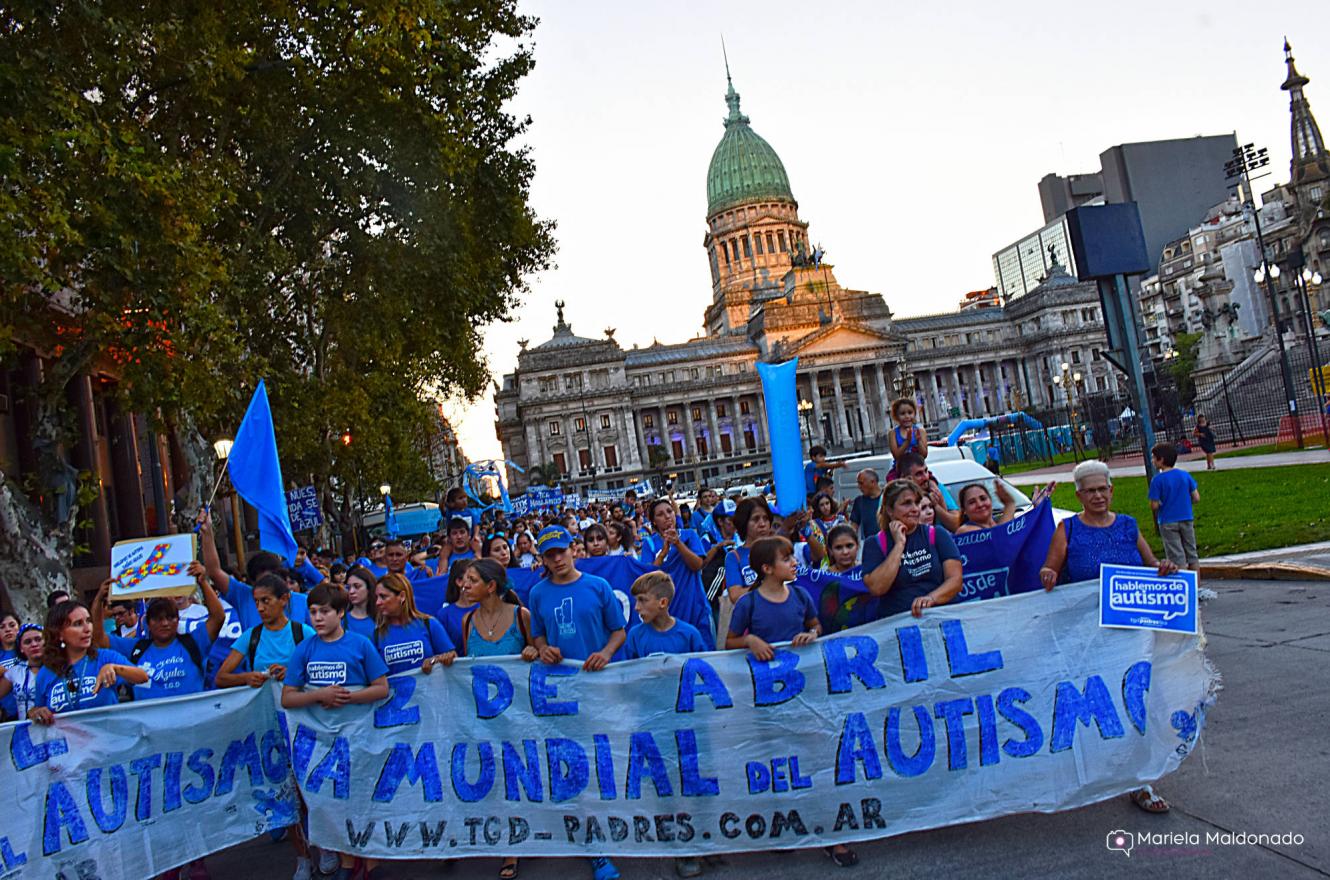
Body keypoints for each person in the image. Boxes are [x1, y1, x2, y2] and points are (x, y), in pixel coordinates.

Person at [1039, 459, 1179, 814]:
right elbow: (1050, 569)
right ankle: (1088, 771)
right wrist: (1047, 575)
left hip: (1134, 636)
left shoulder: (1129, 525)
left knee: (1137, 703)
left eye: (1103, 489)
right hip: (1089, 638)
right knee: (1100, 709)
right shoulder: (1068, 530)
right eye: (1091, 491)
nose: (1098, 496)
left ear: (1111, 490)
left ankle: (1139, 779)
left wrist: (1164, 569)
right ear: (1079, 494)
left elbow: (1151, 566)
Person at [724, 537, 856, 868]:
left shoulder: (799, 595)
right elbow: (730, 642)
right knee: (777, 763)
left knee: (817, 758)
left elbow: (815, 625)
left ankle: (833, 835)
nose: (793, 563)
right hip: (767, 698)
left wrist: (811, 635)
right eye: (786, 559)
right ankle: (784, 823)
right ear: (767, 569)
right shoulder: (749, 604)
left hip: (804, 693)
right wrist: (750, 640)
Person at [526, 526, 625, 880]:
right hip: (562, 692)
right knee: (576, 763)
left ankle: (623, 825)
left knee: (609, 758)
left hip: (602, 687)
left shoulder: (597, 586)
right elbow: (537, 633)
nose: (557, 559)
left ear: (574, 550)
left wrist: (606, 653)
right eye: (549, 555)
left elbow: (619, 629)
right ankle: (595, 846)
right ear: (542, 559)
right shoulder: (537, 593)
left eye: (561, 552)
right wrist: (542, 649)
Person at [281, 583, 390, 880]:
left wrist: (348, 697)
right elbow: (287, 697)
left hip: (359, 735)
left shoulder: (360, 644)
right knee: (332, 802)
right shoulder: (305, 649)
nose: (317, 618)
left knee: (362, 798)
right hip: (321, 742)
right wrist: (319, 696)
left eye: (325, 612)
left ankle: (369, 862)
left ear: (340, 613)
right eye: (313, 612)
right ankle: (345, 860)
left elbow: (381, 687)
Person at [457, 559, 536, 880]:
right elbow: (466, 669)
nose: (463, 585)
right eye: (464, 580)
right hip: (486, 719)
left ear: (491, 586)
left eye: (471, 580)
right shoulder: (466, 621)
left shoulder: (522, 616)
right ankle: (508, 840)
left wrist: (533, 650)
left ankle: (516, 845)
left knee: (517, 779)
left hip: (520, 717)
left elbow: (539, 655)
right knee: (497, 780)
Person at [93, 563, 225, 701]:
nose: (165, 623)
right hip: (148, 722)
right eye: (158, 619)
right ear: (147, 624)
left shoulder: (194, 642)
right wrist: (99, 600)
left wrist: (202, 582)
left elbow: (218, 617)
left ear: (178, 620)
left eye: (170, 617)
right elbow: (99, 639)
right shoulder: (135, 648)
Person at [29, 596, 149, 723]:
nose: (87, 629)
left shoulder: (105, 657)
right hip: (68, 741)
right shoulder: (46, 672)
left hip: (110, 738)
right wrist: (34, 712)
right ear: (59, 634)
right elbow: (39, 707)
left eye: (88, 621)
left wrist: (115, 669)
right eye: (77, 624)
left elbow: (142, 677)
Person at [863, 480, 963, 619]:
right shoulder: (875, 543)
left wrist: (931, 599)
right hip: (898, 624)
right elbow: (877, 588)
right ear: (890, 510)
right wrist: (899, 545)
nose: (915, 509)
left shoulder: (937, 534)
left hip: (941, 617)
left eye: (916, 502)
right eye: (906, 503)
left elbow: (955, 580)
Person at [638, 498, 715, 649]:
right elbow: (647, 579)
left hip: (695, 606)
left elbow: (697, 565)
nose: (667, 516)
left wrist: (678, 544)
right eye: (660, 514)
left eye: (669, 511)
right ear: (653, 522)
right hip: (668, 611)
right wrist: (663, 553)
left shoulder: (689, 536)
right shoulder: (650, 544)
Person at [372, 572, 456, 676]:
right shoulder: (377, 634)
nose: (378, 602)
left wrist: (435, 660)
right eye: (376, 597)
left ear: (402, 596)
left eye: (383, 597)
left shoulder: (429, 624)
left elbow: (452, 657)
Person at [1149, 443, 1201, 571]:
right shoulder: (1185, 475)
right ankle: (1197, 586)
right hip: (1186, 517)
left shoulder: (1157, 480)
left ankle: (1182, 585)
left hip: (1168, 521)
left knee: (1176, 557)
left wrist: (1161, 503)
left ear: (1161, 460)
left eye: (1154, 458)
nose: (1152, 461)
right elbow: (1196, 498)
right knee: (1192, 555)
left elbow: (1154, 505)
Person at [895, 452, 961, 532]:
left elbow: (956, 524)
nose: (925, 477)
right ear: (905, 478)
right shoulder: (894, 495)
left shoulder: (936, 487)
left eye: (926, 471)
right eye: (919, 474)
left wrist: (936, 506)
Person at [0, 623, 43, 721]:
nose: (34, 644)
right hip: (24, 732)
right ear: (21, 649)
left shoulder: (58, 668)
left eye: (38, 639)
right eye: (28, 642)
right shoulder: (15, 672)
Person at [954, 482, 1019, 534]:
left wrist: (1009, 504)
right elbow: (999, 536)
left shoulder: (998, 522)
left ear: (990, 500)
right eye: (972, 502)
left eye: (983, 498)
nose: (980, 504)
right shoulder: (964, 531)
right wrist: (1009, 504)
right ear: (964, 510)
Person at [886, 398, 928, 474]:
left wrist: (918, 441)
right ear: (896, 416)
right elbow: (896, 456)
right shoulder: (893, 433)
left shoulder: (921, 431)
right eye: (902, 413)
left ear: (914, 413)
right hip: (901, 471)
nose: (907, 416)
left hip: (919, 470)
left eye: (910, 413)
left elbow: (924, 455)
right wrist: (907, 441)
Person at [343, 565, 378, 639]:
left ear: (369, 588)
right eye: (348, 587)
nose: (351, 591)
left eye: (357, 586)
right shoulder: (341, 620)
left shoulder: (383, 619)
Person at [848, 469, 883, 542]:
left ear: (873, 482)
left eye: (861, 483)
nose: (859, 487)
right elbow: (854, 526)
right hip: (869, 544)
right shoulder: (859, 502)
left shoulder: (888, 497)